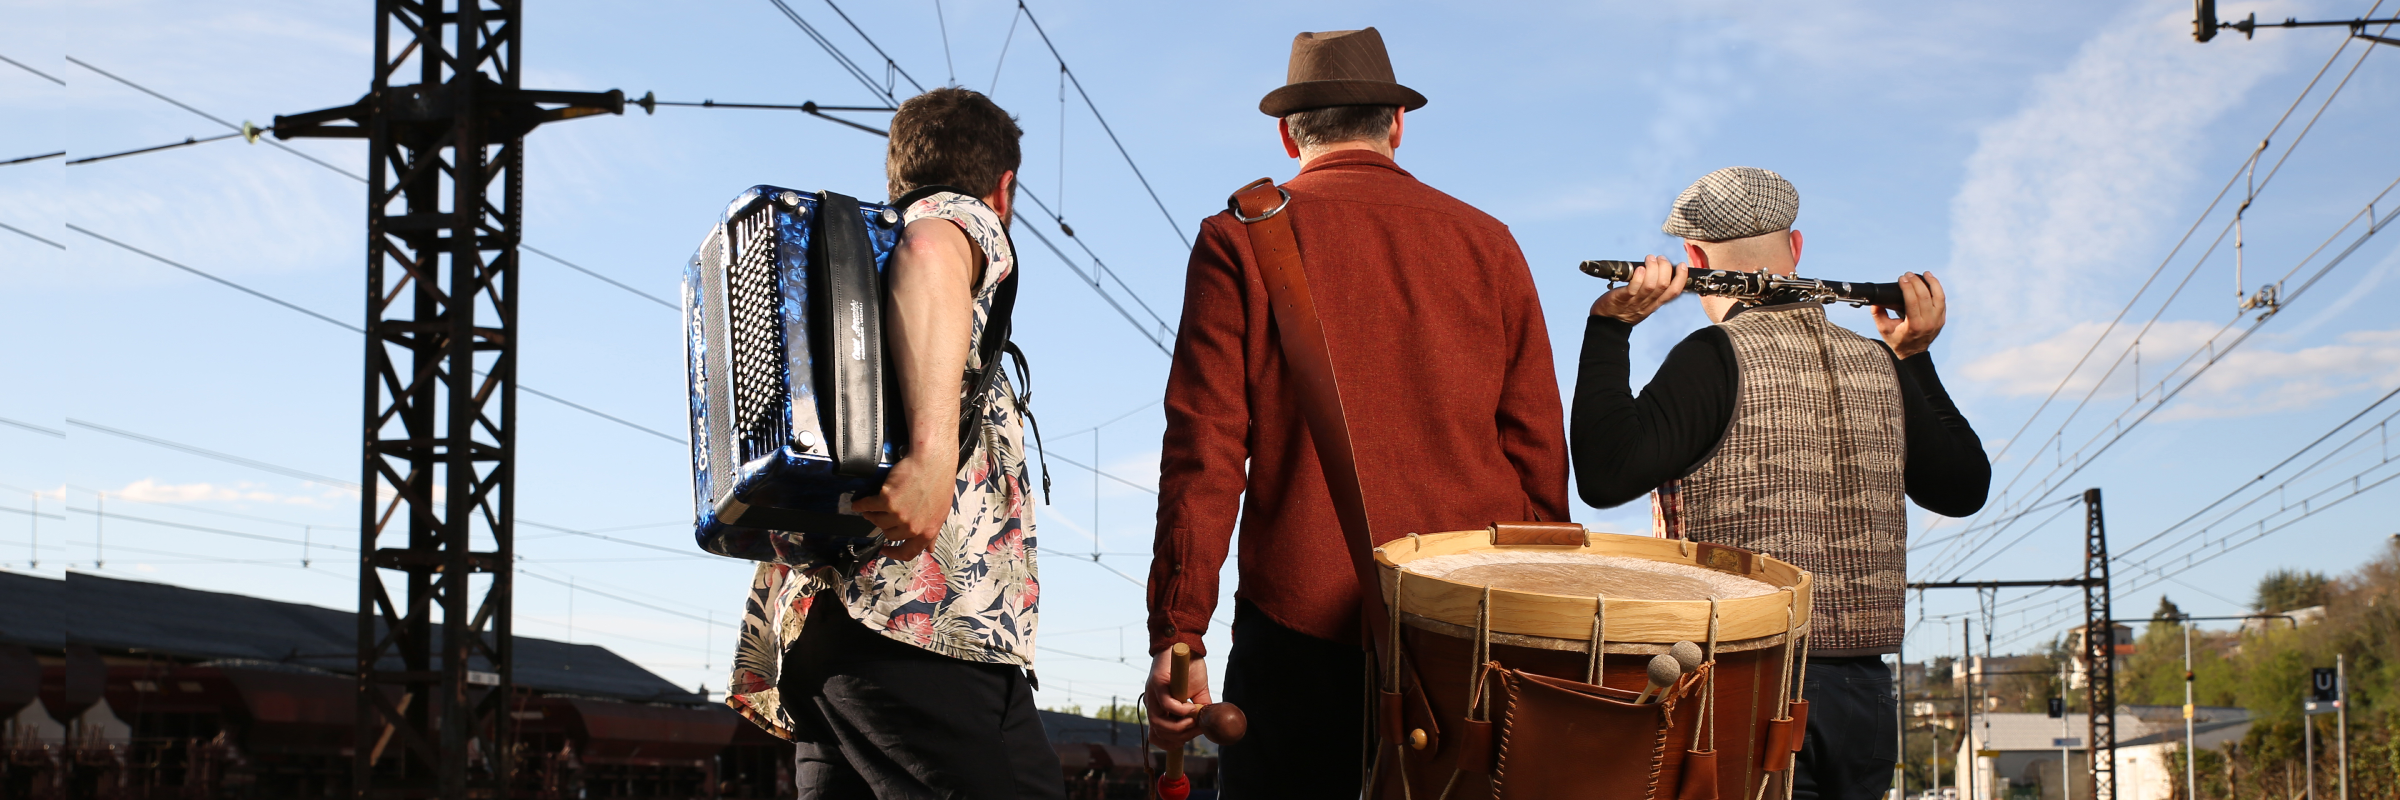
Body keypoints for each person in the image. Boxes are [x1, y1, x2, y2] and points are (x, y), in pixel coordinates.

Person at [1143, 27, 1571, 797]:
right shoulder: (1491, 245)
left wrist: (1179, 632)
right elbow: (1538, 461)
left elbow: (1203, 453)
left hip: (1296, 637)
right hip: (1468, 640)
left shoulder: (1236, 241)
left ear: (1287, 134)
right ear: (1396, 125)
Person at [1571, 167, 1991, 800]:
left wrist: (1609, 329)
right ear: (1795, 249)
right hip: (1866, 699)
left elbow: (1604, 477)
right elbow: (1964, 489)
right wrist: (1914, 358)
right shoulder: (1880, 362)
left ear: (1693, 257)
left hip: (1744, 686)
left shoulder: (1713, 355)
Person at [720, 87, 1061, 799]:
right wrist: (935, 457)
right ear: (1004, 189)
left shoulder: (861, 268)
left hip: (822, 638)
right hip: (921, 627)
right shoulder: (953, 218)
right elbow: (933, 247)